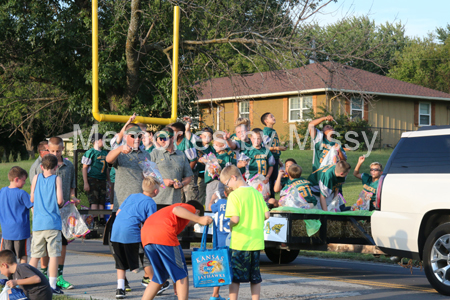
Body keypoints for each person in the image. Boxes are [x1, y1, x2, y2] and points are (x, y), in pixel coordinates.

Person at [106, 124, 153, 288]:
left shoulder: (146, 154)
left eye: (139, 136)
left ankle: (148, 277)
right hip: (122, 206)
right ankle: (122, 280)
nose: (136, 139)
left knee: (143, 243)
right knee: (119, 244)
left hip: (140, 206)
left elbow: (150, 175)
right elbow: (108, 159)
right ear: (126, 136)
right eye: (133, 135)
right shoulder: (121, 152)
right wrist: (120, 149)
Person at [140, 200, 213, 300]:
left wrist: (176, 283)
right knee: (182, 274)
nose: (194, 223)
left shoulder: (170, 215)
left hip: (146, 237)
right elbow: (177, 209)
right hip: (163, 235)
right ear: (197, 211)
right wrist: (199, 219)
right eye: (195, 221)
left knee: (159, 277)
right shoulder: (188, 207)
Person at [219, 165, 270, 300]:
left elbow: (235, 219)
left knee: (235, 278)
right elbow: (267, 215)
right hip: (256, 242)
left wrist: (230, 225)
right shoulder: (257, 194)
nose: (228, 186)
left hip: (240, 242)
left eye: (227, 183)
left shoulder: (234, 196)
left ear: (233, 178)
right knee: (255, 277)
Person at [111, 177, 159, 299]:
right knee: (145, 259)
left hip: (115, 232)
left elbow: (118, 213)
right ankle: (155, 282)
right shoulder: (150, 203)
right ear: (156, 191)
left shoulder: (132, 196)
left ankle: (120, 288)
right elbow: (150, 223)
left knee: (120, 261)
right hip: (131, 233)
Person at [44, 137, 79, 290]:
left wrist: (73, 197)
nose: (55, 154)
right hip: (48, 211)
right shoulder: (43, 166)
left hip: (64, 211)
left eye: (58, 151)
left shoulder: (69, 165)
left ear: (62, 150)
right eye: (52, 151)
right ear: (48, 149)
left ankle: (59, 276)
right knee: (47, 244)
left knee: (63, 244)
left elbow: (72, 188)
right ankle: (45, 274)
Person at [29, 154, 64, 295]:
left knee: (35, 255)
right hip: (53, 223)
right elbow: (60, 200)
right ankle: (52, 284)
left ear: (41, 167)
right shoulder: (57, 179)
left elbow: (31, 197)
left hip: (38, 224)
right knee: (54, 254)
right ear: (56, 167)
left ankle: (29, 281)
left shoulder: (36, 178)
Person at [150, 127, 193, 205]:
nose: (162, 140)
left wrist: (182, 184)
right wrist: (162, 181)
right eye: (160, 138)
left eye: (165, 138)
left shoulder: (181, 155)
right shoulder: (155, 154)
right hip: (157, 200)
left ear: (172, 138)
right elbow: (147, 174)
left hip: (175, 201)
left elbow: (189, 177)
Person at [0, 167, 32, 264]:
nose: (25, 183)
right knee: (22, 255)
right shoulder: (22, 193)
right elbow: (32, 205)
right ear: (16, 179)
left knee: (6, 256)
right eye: (23, 180)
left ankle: (9, 276)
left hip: (6, 231)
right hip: (21, 231)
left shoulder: (2, 191)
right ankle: (22, 275)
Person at [208, 187, 232, 300]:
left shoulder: (221, 202)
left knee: (219, 267)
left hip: (219, 238)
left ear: (224, 193)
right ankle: (232, 296)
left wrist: (212, 199)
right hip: (231, 238)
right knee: (232, 266)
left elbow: (210, 208)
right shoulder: (235, 203)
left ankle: (215, 294)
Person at [82, 133, 109, 225]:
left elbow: (107, 169)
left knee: (102, 200)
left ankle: (101, 219)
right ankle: (95, 220)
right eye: (103, 140)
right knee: (94, 200)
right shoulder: (91, 152)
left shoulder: (105, 153)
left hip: (102, 179)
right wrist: (86, 182)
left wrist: (108, 180)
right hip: (93, 179)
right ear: (97, 141)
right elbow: (84, 167)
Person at [170, 122, 198, 202]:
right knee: (179, 199)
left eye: (173, 132)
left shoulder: (186, 143)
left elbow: (193, 160)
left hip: (188, 176)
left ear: (180, 133)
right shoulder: (173, 143)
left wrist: (186, 174)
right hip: (178, 175)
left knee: (190, 198)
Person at [261, 113, 287, 198]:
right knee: (270, 181)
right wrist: (278, 148)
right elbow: (264, 147)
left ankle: (272, 200)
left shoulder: (273, 131)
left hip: (275, 159)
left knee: (275, 180)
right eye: (271, 117)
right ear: (266, 121)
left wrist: (279, 161)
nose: (274, 117)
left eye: (273, 115)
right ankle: (269, 201)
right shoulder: (266, 131)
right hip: (269, 160)